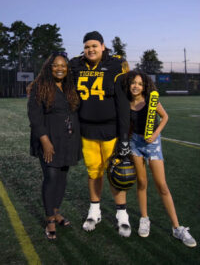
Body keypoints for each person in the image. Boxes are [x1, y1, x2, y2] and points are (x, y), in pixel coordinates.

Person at [123, 70, 197, 247]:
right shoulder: (126, 102)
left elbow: (165, 117)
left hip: (153, 144)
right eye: (133, 82)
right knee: (141, 182)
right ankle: (144, 218)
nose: (136, 86)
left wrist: (155, 134)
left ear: (145, 86)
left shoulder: (151, 100)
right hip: (135, 144)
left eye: (140, 84)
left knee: (162, 185)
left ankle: (177, 227)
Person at [69, 31, 131, 237]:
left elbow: (122, 103)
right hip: (87, 129)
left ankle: (122, 215)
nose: (90, 49)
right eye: (87, 46)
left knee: (116, 172)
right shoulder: (75, 65)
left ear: (103, 46)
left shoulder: (116, 65)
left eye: (94, 45)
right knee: (93, 172)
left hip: (111, 129)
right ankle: (94, 210)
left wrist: (124, 137)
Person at [27, 52, 82, 240]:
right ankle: (50, 219)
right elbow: (35, 117)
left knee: (62, 177)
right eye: (56, 65)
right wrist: (45, 141)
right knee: (51, 176)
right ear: (49, 67)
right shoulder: (40, 87)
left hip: (68, 140)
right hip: (49, 139)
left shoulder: (69, 86)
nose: (60, 69)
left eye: (63, 66)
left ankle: (56, 211)